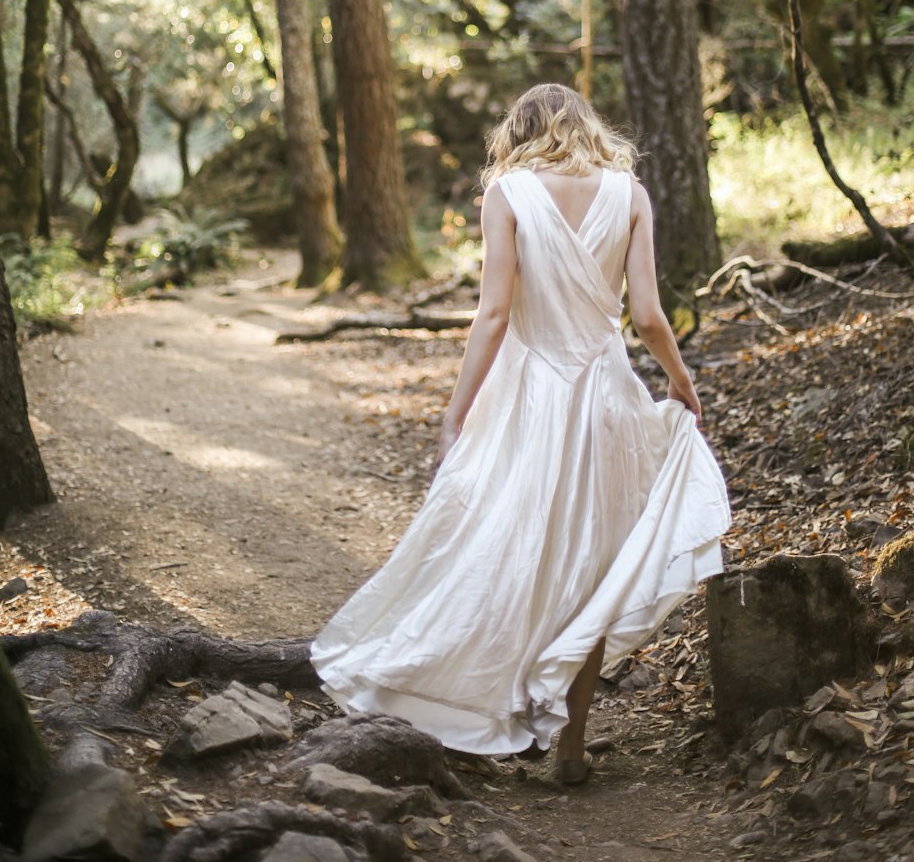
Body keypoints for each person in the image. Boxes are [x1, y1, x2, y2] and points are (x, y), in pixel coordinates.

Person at [310, 84, 730, 782]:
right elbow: (649, 316)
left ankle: (494, 706)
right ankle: (567, 743)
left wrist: (455, 412)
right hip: (606, 400)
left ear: (521, 130)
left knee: (510, 548)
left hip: (529, 401)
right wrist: (681, 382)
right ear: (586, 126)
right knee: (593, 568)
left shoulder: (507, 193)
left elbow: (494, 314)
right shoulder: (629, 193)